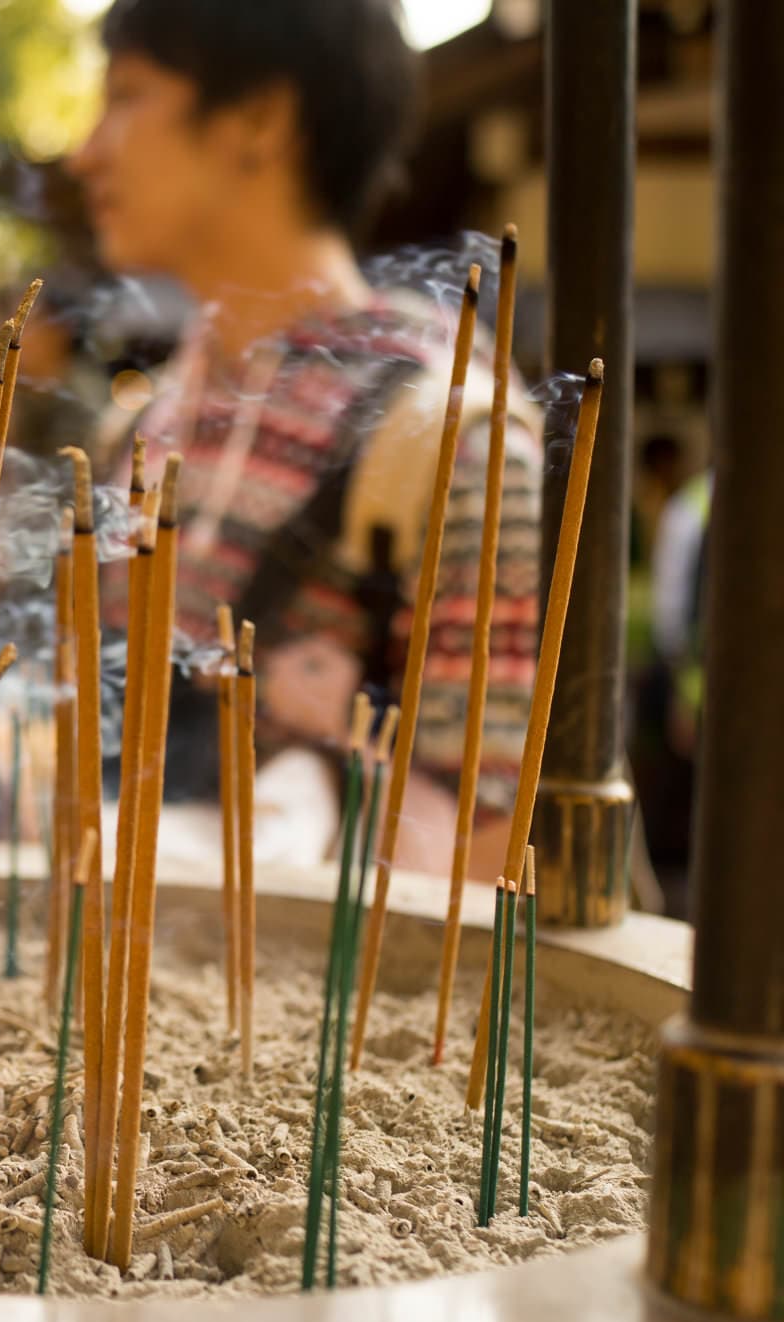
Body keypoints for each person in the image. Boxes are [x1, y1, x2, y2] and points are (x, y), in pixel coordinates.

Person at [69, 0, 543, 873]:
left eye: (127, 96)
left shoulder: (448, 435)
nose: (85, 150)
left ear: (259, 118)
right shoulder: (139, 428)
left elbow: (483, 851)